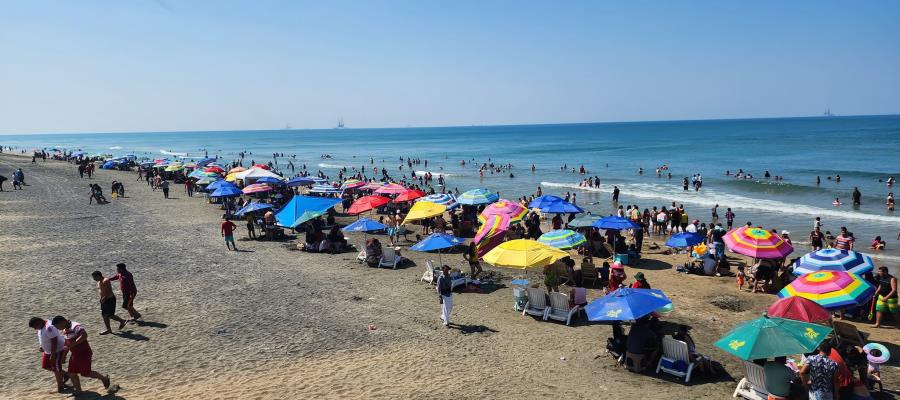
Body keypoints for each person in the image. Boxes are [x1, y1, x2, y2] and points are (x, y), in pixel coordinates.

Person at [51, 316, 114, 395]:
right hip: (75, 354)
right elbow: (67, 344)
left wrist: (73, 344)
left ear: (62, 321)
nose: (58, 329)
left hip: (84, 353)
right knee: (72, 373)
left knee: (86, 373)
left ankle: (104, 378)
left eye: (58, 326)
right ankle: (78, 390)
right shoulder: (65, 330)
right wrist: (64, 356)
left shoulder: (75, 326)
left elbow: (84, 335)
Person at [28, 316, 69, 393]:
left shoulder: (49, 327)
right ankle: (65, 374)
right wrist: (42, 346)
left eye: (35, 327)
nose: (35, 329)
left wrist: (53, 355)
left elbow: (54, 341)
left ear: (39, 322)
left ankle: (60, 388)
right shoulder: (41, 326)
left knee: (56, 369)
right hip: (47, 351)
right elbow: (43, 337)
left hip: (56, 350)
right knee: (46, 366)